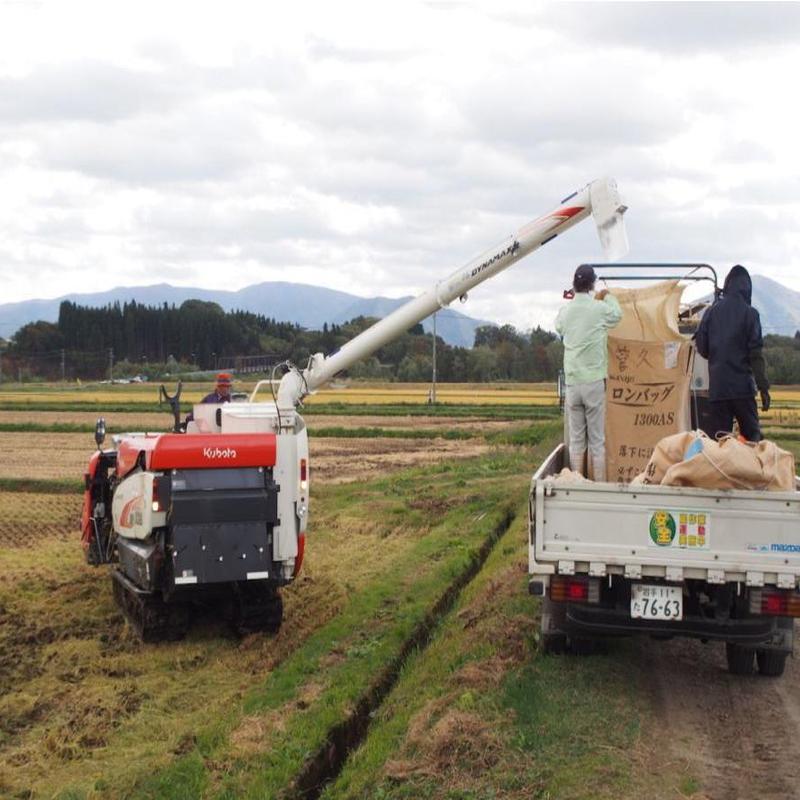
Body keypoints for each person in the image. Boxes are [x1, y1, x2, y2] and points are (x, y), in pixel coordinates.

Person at [555, 265, 622, 481]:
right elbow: (617, 314)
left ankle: (576, 482)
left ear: (574, 284)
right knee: (597, 440)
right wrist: (608, 296)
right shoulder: (599, 308)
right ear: (592, 284)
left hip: (573, 383)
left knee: (577, 440)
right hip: (593, 382)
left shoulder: (566, 311)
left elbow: (559, 326)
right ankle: (599, 486)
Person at [694, 264, 769, 442]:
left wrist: (718, 358)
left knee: (720, 443)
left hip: (718, 389)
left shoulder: (711, 312)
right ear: (747, 288)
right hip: (743, 389)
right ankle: (751, 470)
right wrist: (763, 388)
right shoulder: (750, 314)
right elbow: (756, 355)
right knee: (753, 440)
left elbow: (702, 348)